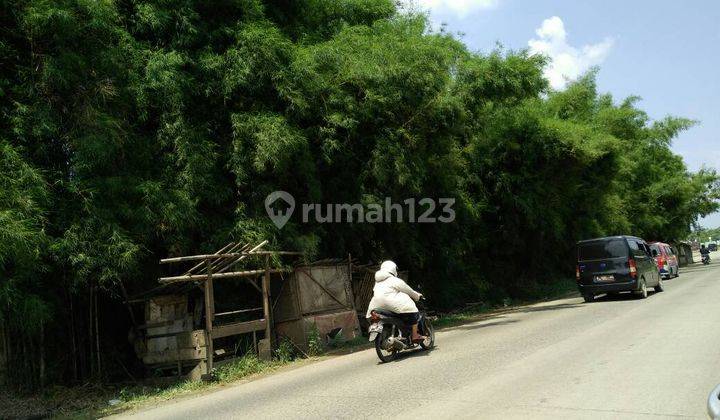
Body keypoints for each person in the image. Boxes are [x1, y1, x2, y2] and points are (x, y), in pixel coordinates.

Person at [366, 260, 426, 343]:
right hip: (391, 305)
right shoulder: (394, 280)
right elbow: (408, 290)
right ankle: (415, 335)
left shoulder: (377, 282)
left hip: (376, 306)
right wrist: (417, 296)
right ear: (393, 269)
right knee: (414, 312)